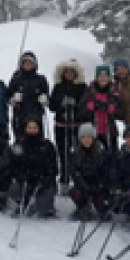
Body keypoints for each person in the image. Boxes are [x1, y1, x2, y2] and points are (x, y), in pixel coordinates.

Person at [49, 59, 87, 194]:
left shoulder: (82, 86)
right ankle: (64, 180)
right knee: (63, 153)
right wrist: (61, 105)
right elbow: (52, 106)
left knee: (79, 153)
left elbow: (86, 106)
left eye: (72, 71)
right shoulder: (58, 86)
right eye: (67, 71)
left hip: (77, 125)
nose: (69, 74)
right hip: (61, 125)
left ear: (76, 73)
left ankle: (79, 181)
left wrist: (75, 105)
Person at [9, 115, 58, 218]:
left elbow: (53, 168)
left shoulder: (47, 145)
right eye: (29, 128)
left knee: (43, 210)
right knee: (13, 189)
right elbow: (14, 166)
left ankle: (44, 204)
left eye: (35, 128)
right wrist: (22, 177)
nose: (32, 130)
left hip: (43, 182)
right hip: (26, 181)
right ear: (25, 129)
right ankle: (25, 202)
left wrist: (44, 180)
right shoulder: (19, 145)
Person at [68, 123, 111, 221]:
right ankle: (82, 207)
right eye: (83, 137)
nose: (86, 140)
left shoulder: (101, 152)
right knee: (76, 193)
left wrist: (99, 186)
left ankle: (103, 209)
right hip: (84, 185)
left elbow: (106, 173)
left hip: (99, 186)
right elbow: (74, 173)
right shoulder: (75, 153)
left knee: (100, 201)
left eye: (89, 137)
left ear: (93, 138)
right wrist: (84, 186)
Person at [7, 51, 49, 140]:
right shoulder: (16, 79)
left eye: (30, 62)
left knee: (38, 141)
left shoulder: (41, 79)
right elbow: (7, 97)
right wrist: (13, 99)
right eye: (25, 62)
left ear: (35, 64)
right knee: (20, 142)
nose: (28, 64)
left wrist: (45, 99)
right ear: (21, 64)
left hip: (36, 116)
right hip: (20, 116)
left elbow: (47, 97)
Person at [79, 64, 122, 153]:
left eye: (105, 76)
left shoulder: (114, 90)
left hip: (110, 131)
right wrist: (90, 107)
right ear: (96, 77)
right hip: (93, 133)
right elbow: (81, 111)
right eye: (100, 76)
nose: (103, 78)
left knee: (112, 157)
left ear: (109, 78)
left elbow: (121, 112)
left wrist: (111, 109)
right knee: (96, 158)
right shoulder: (90, 90)